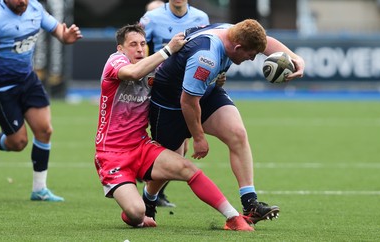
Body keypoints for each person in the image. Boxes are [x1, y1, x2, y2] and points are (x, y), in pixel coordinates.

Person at [93, 24, 253, 231]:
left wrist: (214, 79)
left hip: (141, 147)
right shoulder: (116, 62)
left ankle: (233, 218)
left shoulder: (156, 68)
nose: (140, 49)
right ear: (120, 49)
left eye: (143, 44)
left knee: (187, 168)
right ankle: (135, 211)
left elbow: (187, 85)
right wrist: (168, 49)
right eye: (133, 45)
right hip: (112, 154)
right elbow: (133, 73)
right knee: (136, 213)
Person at [146, 19, 305, 224]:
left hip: (203, 92)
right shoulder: (206, 57)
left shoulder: (232, 31)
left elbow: (267, 42)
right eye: (251, 54)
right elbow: (187, 101)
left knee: (237, 134)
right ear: (238, 47)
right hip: (170, 105)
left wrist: (295, 58)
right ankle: (148, 199)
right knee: (171, 166)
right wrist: (198, 137)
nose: (252, 58)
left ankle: (250, 204)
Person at [0, 0, 82, 201]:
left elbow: (58, 30)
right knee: (18, 142)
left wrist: (65, 37)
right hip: (2, 88)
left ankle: (39, 190)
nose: (22, 1)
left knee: (44, 130)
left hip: (28, 81)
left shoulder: (35, 7)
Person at [140, 0, 210, 207]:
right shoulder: (151, 19)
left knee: (182, 146)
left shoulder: (201, 18)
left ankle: (154, 191)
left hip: (188, 87)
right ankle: (146, 182)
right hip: (160, 88)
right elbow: (137, 46)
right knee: (166, 145)